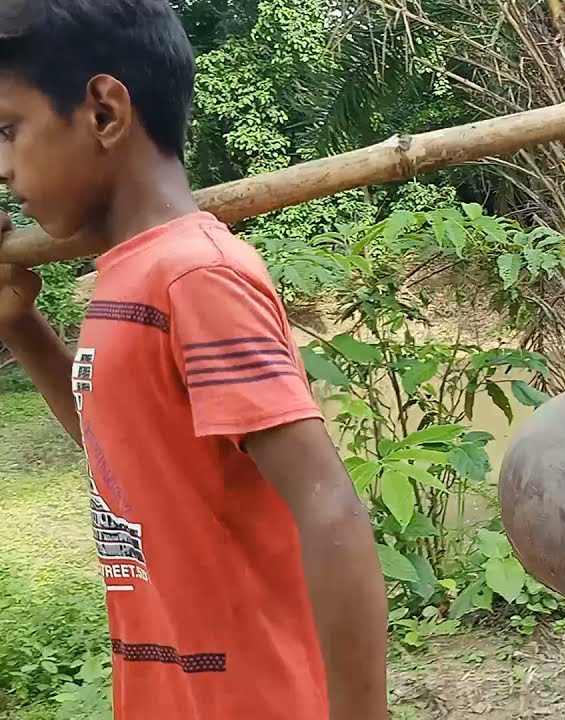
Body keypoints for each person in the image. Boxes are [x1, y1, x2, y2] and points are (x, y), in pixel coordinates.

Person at [0, 1, 389, 717]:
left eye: (7, 130)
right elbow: (118, 447)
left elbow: (330, 509)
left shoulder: (195, 276)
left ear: (104, 112)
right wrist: (20, 327)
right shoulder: (127, 276)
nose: (1, 169)